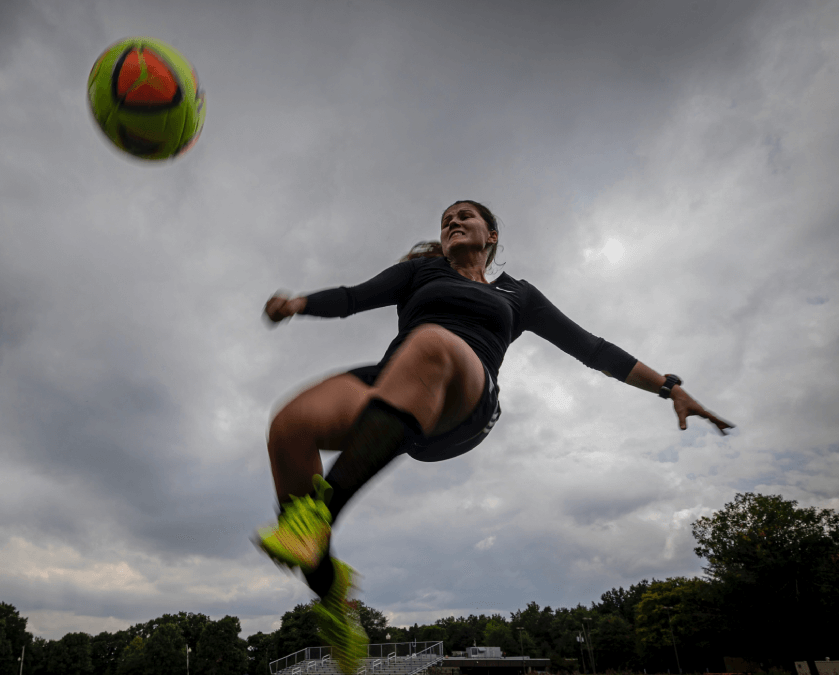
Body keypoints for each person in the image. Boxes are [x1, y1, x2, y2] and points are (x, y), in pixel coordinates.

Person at [252, 199, 734, 675]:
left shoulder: (518, 296)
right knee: (291, 425)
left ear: (492, 235)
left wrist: (668, 387)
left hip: (466, 399)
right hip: (396, 387)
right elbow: (355, 296)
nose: (453, 221)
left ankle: (320, 519)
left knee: (433, 342)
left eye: (465, 216)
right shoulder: (422, 271)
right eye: (446, 220)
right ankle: (333, 597)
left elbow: (591, 348)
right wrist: (299, 304)